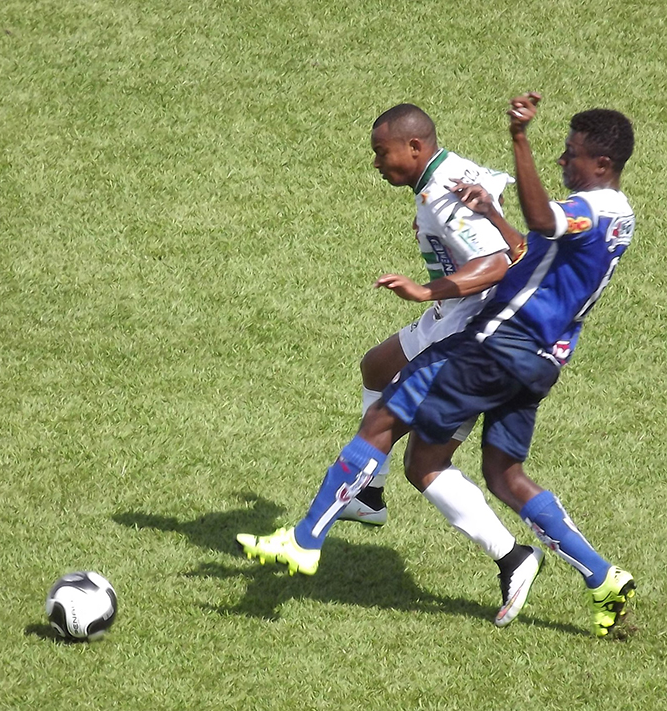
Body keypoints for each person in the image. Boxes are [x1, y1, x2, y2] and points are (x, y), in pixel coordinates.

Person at [238, 93, 637, 636]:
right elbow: (527, 254)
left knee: (383, 420)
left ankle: (306, 539)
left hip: (495, 343)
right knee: (497, 473)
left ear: (602, 164)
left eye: (572, 154)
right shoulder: (622, 218)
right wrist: (492, 213)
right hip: (542, 359)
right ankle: (601, 576)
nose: (563, 160)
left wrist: (519, 137)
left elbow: (537, 224)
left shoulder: (590, 208)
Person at [338, 103, 519, 527]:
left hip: (468, 322)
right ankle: (368, 494)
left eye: (382, 152)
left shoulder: (441, 197)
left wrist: (424, 291)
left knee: (422, 461)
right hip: (451, 311)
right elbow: (496, 188)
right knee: (376, 366)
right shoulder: (452, 168)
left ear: (415, 146)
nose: (377, 164)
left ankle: (513, 554)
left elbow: (496, 263)